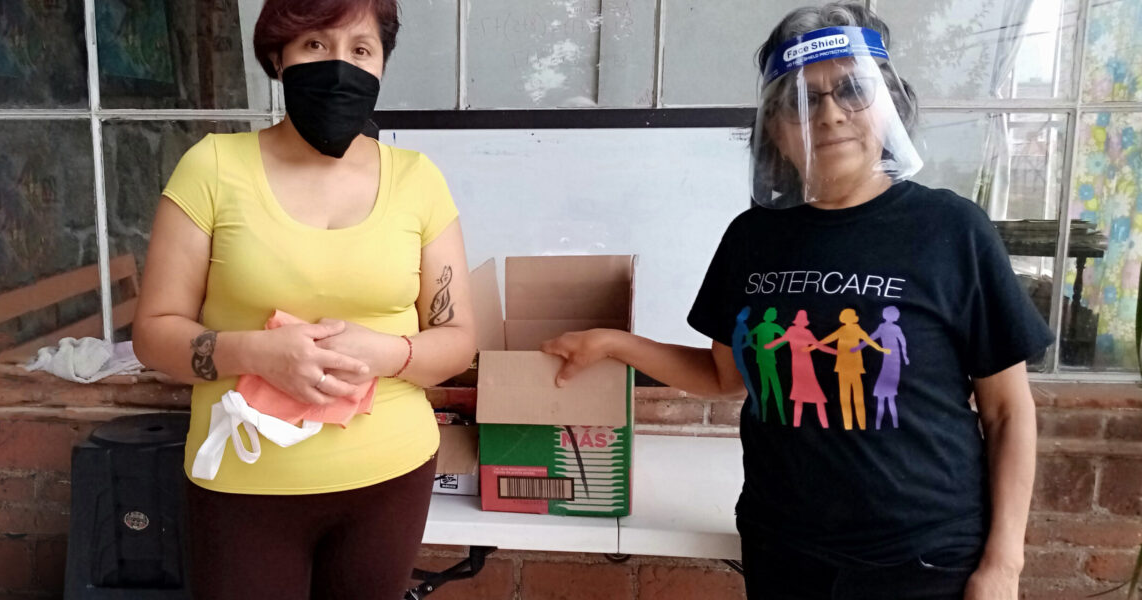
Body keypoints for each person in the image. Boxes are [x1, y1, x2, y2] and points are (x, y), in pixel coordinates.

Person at [542, 3, 1050, 598]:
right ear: (776, 132)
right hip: (784, 550)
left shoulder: (952, 230)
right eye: (802, 102)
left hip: (923, 559)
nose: (830, 114)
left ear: (888, 107)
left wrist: (1003, 566)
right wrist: (613, 343)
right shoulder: (752, 238)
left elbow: (1008, 411)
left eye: (852, 91)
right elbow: (725, 375)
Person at [132, 1, 476, 597]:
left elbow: (458, 340)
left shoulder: (418, 179)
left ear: (382, 65)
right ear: (278, 55)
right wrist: (259, 353)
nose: (340, 67)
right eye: (316, 45)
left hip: (391, 476)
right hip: (245, 483)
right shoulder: (211, 168)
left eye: (361, 50)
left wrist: (385, 353)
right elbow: (154, 334)